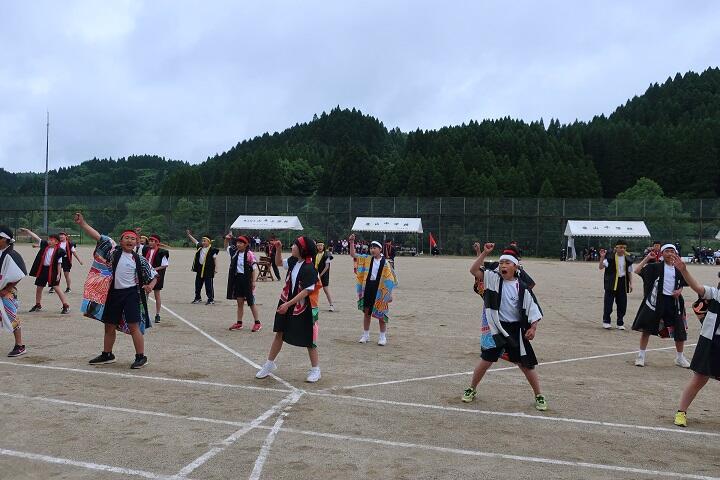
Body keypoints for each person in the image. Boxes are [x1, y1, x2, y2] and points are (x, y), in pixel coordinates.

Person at [464, 242, 547, 411]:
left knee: (526, 365)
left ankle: (539, 395)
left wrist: (533, 328)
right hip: (497, 328)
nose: (503, 265)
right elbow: (473, 270)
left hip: (515, 330)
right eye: (501, 262)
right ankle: (471, 388)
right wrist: (484, 253)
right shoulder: (493, 279)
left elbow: (533, 309)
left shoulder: (522, 288)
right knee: (486, 360)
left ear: (515, 267)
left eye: (507, 263)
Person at [74, 212, 157, 369]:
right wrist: (83, 224)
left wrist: (150, 286)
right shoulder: (113, 252)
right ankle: (107, 354)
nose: (130, 240)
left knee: (134, 325)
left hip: (132, 295)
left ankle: (141, 356)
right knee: (109, 325)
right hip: (114, 294)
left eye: (133, 239)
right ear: (121, 240)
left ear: (137, 243)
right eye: (127, 238)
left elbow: (154, 275)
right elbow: (99, 237)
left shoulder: (140, 260)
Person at [255, 236, 322, 382]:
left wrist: (287, 305)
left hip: (304, 306)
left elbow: (307, 291)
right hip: (287, 300)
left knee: (309, 338)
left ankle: (316, 369)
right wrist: (278, 249)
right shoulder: (293, 261)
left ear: (302, 249)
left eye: (295, 245)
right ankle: (269, 364)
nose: (292, 247)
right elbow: (278, 263)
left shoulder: (310, 268)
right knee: (279, 332)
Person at [670, 256, 720, 427]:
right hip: (711, 341)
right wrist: (684, 270)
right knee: (699, 378)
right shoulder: (715, 293)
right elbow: (697, 287)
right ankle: (681, 412)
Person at [631, 244, 691, 368]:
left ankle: (680, 357)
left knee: (679, 330)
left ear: (676, 254)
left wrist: (679, 290)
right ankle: (641, 356)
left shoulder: (679, 268)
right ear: (662, 254)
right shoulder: (655, 267)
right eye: (667, 251)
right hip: (656, 302)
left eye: (672, 251)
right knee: (647, 329)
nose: (670, 254)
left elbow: (684, 283)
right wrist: (647, 258)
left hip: (674, 303)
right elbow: (637, 270)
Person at [349, 234, 398, 346]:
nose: (372, 250)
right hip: (368, 287)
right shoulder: (367, 259)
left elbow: (390, 280)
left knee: (381, 313)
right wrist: (351, 242)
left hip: (380, 289)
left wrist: (389, 294)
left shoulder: (386, 263)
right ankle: (366, 335)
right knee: (367, 312)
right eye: (371, 248)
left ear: (380, 249)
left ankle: (382, 337)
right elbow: (353, 254)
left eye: (374, 248)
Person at [20, 228, 71, 314]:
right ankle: (38, 304)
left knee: (56, 287)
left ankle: (66, 305)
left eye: (51, 240)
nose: (49, 241)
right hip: (43, 269)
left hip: (53, 271)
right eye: (49, 239)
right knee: (39, 287)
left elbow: (59, 264)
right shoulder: (45, 246)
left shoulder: (59, 251)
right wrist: (28, 231)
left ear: (56, 242)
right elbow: (36, 237)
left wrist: (58, 274)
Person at [0, 226, 28, 357]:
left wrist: (7, 289)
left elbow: (19, 274)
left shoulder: (12, 254)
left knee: (12, 317)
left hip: (7, 292)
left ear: (6, 240)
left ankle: (20, 345)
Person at [225, 234, 262, 332]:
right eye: (237, 242)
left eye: (241, 243)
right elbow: (226, 247)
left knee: (251, 302)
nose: (238, 244)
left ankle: (257, 323)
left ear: (246, 244)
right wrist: (227, 239)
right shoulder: (235, 252)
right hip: (237, 280)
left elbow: (254, 269)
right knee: (239, 302)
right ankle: (239, 323)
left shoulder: (249, 254)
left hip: (247, 280)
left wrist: (253, 281)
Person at [598, 240, 633, 330]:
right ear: (616, 248)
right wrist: (602, 257)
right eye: (620, 247)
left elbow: (629, 272)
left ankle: (620, 322)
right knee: (608, 303)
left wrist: (631, 283)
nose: (622, 249)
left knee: (622, 303)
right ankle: (606, 321)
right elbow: (601, 267)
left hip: (622, 282)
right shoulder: (610, 257)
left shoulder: (628, 258)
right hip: (611, 282)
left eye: (624, 248)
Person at [187, 230, 219, 305]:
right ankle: (197, 298)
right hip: (200, 269)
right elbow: (195, 241)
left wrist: (216, 269)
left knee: (208, 285)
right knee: (198, 284)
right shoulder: (200, 247)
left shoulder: (212, 250)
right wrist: (189, 235)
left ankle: (210, 299)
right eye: (202, 241)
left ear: (209, 242)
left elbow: (215, 259)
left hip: (208, 270)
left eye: (205, 241)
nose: (203, 242)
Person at [143, 234, 169, 323]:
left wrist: (154, 269)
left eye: (152, 241)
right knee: (145, 293)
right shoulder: (146, 249)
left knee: (157, 294)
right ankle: (144, 313)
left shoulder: (162, 252)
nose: (150, 242)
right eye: (150, 241)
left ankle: (157, 314)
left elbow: (165, 265)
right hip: (147, 274)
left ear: (157, 242)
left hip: (157, 275)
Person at [314, 241, 335, 311]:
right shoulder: (315, 254)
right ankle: (312, 305)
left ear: (323, 246)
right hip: (315, 274)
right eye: (318, 245)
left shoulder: (327, 254)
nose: (319, 247)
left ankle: (331, 305)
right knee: (313, 290)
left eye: (321, 245)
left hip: (324, 275)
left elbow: (327, 267)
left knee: (326, 290)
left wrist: (320, 275)